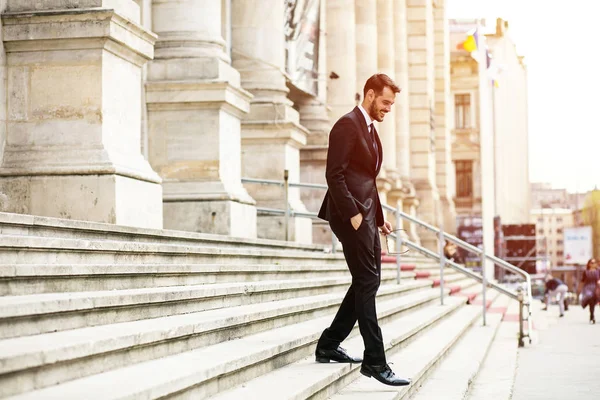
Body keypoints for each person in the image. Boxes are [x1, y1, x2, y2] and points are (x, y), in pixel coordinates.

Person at [314, 74, 410, 387]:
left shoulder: (369, 129)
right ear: (369, 95)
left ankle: (329, 344)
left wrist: (379, 216)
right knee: (367, 281)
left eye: (392, 104)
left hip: (368, 217)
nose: (389, 109)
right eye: (385, 102)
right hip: (350, 217)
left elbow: (366, 179)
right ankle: (375, 361)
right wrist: (354, 214)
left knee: (367, 282)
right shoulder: (346, 125)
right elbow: (335, 175)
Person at [577, 258, 600, 324]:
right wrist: (579, 288)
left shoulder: (598, 270)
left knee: (597, 300)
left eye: (594, 262)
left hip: (597, 287)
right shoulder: (586, 271)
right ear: (589, 264)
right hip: (588, 288)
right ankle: (592, 316)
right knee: (591, 300)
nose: (593, 264)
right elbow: (583, 281)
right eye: (591, 263)